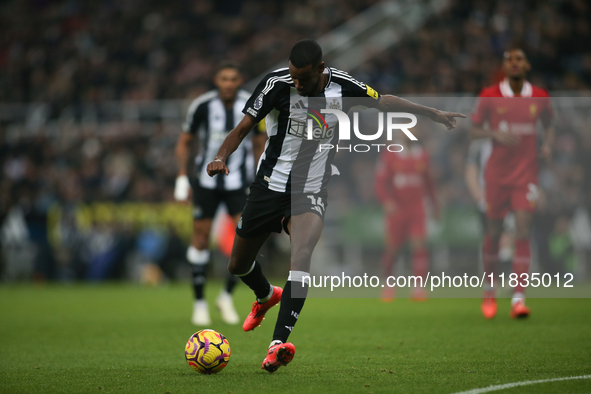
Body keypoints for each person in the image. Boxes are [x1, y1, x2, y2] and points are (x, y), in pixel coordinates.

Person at [206, 39, 465, 372]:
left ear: (320, 67)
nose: (296, 82)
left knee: (300, 259)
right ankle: (267, 295)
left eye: (302, 77)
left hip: (310, 189)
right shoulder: (275, 84)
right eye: (292, 75)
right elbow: (242, 128)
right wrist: (219, 157)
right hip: (268, 187)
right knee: (238, 265)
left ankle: (277, 343)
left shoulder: (343, 85)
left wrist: (433, 113)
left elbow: (383, 101)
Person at [174, 63, 266, 326]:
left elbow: (260, 142)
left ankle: (225, 296)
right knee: (201, 239)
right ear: (217, 80)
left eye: (233, 78)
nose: (228, 83)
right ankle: (200, 303)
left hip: (239, 183)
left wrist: (260, 176)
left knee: (245, 240)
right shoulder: (202, 106)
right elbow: (185, 141)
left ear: (240, 81)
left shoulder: (252, 104)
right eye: (224, 78)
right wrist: (182, 175)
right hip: (206, 183)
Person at [470, 48, 554, 319]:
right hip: (496, 176)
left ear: (526, 64)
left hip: (526, 175)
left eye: (519, 59)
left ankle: (518, 298)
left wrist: (548, 145)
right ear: (504, 66)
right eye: (509, 60)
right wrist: (494, 132)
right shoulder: (489, 95)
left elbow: (550, 123)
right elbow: (472, 130)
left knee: (522, 230)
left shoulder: (540, 97)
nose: (515, 64)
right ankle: (489, 292)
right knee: (493, 233)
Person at [375, 136, 439, 301]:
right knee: (392, 249)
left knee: (419, 245)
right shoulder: (391, 154)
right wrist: (386, 201)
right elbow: (381, 182)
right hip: (397, 209)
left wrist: (435, 206)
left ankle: (418, 287)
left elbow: (429, 183)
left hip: (417, 208)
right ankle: (388, 284)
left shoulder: (423, 155)